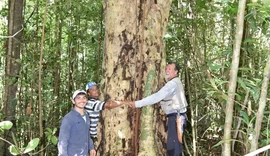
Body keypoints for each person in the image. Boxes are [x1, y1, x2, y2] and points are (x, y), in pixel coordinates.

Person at [129, 62, 188, 156]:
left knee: (174, 148)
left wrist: (137, 104)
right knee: (174, 146)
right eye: (166, 68)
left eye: (170, 69)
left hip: (176, 118)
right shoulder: (174, 82)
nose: (167, 70)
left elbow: (156, 97)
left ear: (176, 72)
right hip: (177, 117)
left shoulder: (172, 84)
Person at [58, 90, 96, 156]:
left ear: (87, 100)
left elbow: (87, 134)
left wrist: (91, 147)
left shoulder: (86, 116)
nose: (82, 100)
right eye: (78, 98)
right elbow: (62, 141)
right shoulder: (68, 118)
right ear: (73, 101)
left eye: (84, 97)